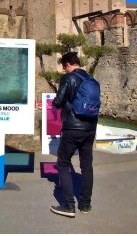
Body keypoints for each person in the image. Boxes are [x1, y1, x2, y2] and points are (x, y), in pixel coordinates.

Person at [49, 51, 98, 218]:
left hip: (72, 128)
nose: (64, 70)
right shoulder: (92, 80)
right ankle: (85, 204)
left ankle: (69, 206)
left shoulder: (69, 78)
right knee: (86, 166)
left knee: (63, 164)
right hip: (90, 128)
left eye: (64, 67)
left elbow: (59, 101)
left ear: (68, 64)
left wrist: (54, 105)